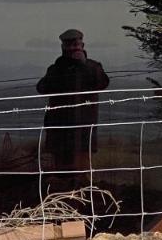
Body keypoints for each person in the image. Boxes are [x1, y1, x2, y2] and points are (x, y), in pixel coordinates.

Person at [36, 30, 110, 180]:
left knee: (82, 173)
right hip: (60, 130)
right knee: (60, 174)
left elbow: (102, 83)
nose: (73, 49)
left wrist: (83, 65)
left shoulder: (93, 67)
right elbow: (42, 88)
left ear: (82, 45)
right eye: (69, 45)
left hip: (82, 130)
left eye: (76, 45)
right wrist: (62, 67)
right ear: (63, 48)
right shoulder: (56, 68)